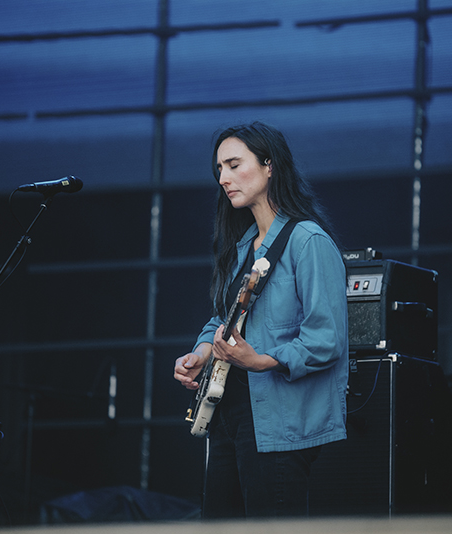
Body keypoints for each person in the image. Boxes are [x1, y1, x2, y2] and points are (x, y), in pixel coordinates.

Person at [173, 121, 348, 518]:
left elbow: (327, 338)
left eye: (234, 165)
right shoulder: (242, 248)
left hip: (278, 421)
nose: (224, 178)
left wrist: (261, 360)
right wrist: (200, 353)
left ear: (269, 166)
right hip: (229, 415)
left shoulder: (308, 241)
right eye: (219, 169)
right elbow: (222, 320)